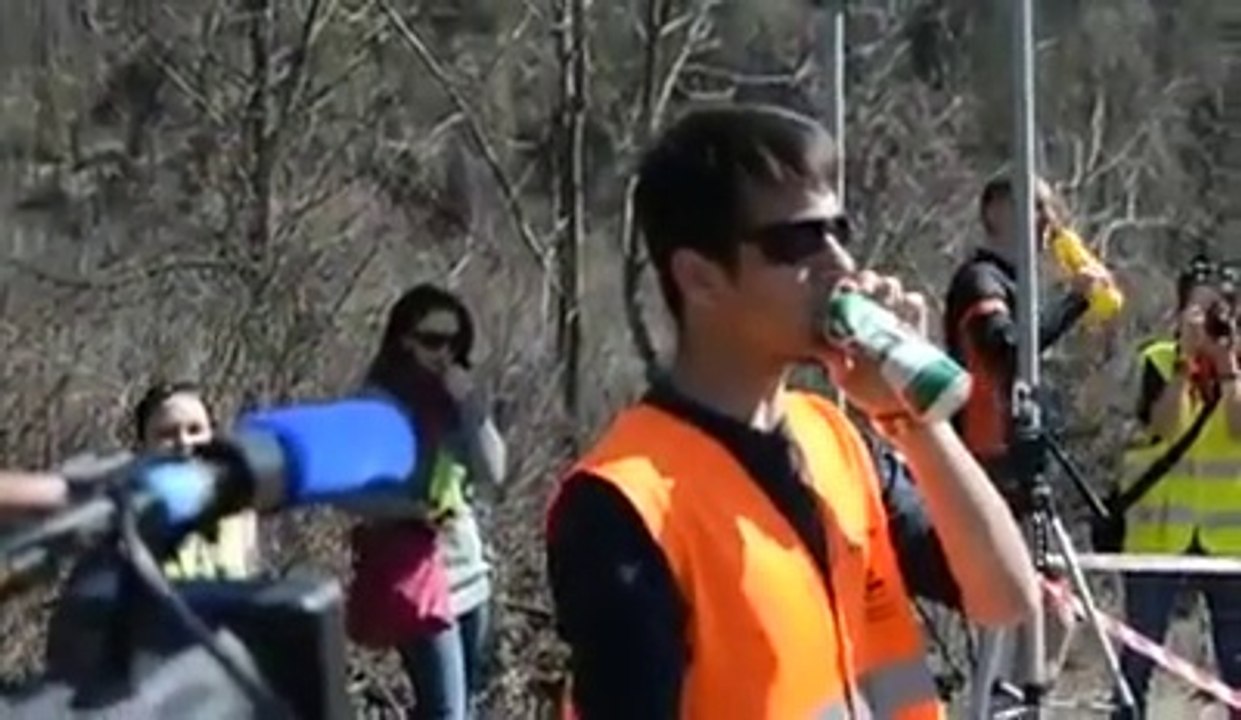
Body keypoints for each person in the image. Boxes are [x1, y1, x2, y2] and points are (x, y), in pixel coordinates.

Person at [546, 104, 1038, 719]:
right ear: (699, 278)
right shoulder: (621, 503)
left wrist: (916, 421)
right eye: (798, 241)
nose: (841, 264)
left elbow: (1005, 598)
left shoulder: (830, 436)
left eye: (839, 231)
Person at [942, 175, 1110, 716]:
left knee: (1056, 612)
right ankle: (999, 700)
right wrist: (1074, 301)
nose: (1048, 222)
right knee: (1011, 607)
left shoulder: (1018, 285)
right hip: (988, 464)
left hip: (1025, 466)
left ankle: (1022, 700)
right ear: (996, 210)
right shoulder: (981, 281)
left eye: (1050, 208)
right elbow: (1007, 351)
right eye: (1036, 207)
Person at [343, 284, 507, 720]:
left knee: (471, 705)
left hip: (467, 567)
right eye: (433, 341)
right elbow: (349, 494)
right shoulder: (378, 405)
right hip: (416, 574)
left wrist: (471, 405)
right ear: (404, 341)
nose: (445, 354)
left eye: (456, 343)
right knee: (446, 711)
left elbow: (493, 472)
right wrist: (410, 511)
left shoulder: (459, 399)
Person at [1113, 257, 1241, 719]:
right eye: (1200, 311)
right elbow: (1164, 427)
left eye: (1220, 311)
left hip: (1229, 539)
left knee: (1237, 660)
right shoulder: (1158, 361)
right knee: (1139, 653)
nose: (1210, 323)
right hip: (1160, 535)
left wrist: (1227, 367)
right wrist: (1185, 365)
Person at [131, 381, 260, 580]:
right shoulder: (126, 512)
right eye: (167, 434)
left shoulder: (238, 510)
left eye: (195, 430)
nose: (184, 442)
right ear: (143, 445)